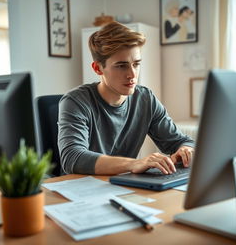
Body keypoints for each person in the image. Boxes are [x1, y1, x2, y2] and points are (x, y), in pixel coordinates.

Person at [58, 21, 195, 175]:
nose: (132, 74)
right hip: (81, 190)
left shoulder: (145, 99)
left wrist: (185, 150)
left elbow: (181, 141)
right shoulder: (75, 101)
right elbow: (72, 158)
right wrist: (135, 163)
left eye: (136, 64)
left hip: (123, 187)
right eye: (121, 66)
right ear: (98, 68)